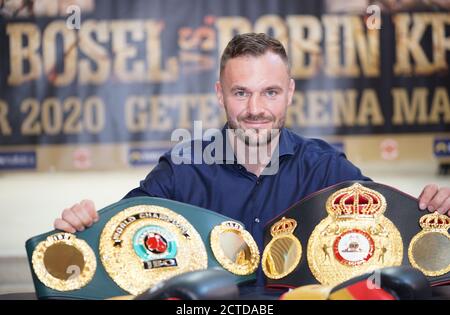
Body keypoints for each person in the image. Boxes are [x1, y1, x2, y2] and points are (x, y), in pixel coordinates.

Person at [54, 32, 450, 256]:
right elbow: (120, 233)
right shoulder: (180, 169)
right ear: (219, 94)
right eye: (241, 93)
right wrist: (82, 226)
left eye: (270, 92)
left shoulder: (326, 168)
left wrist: (434, 209)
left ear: (290, 92)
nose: (256, 109)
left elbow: (390, 229)